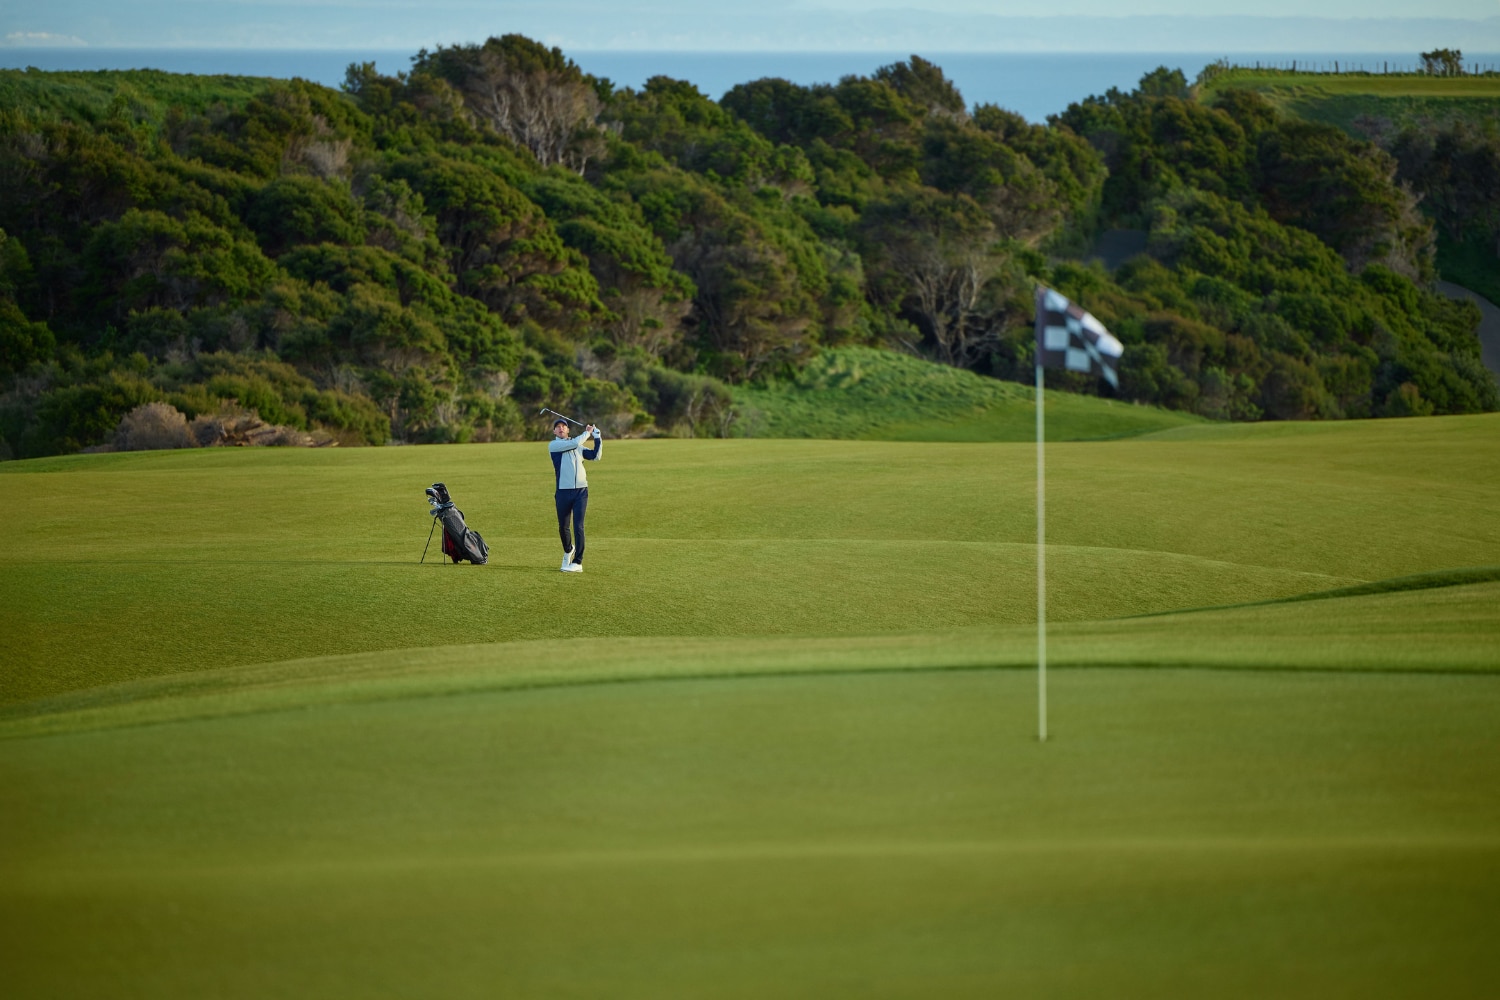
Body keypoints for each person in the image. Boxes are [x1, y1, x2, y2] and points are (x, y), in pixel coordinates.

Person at [548, 419, 601, 572]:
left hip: (581, 492)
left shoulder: (578, 446)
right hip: (563, 492)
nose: (560, 429)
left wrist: (597, 437)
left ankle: (578, 562)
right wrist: (588, 432)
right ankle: (568, 550)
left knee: (578, 526)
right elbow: (573, 443)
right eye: (557, 427)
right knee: (563, 527)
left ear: (568, 430)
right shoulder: (554, 445)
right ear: (554, 432)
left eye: (563, 427)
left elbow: (595, 456)